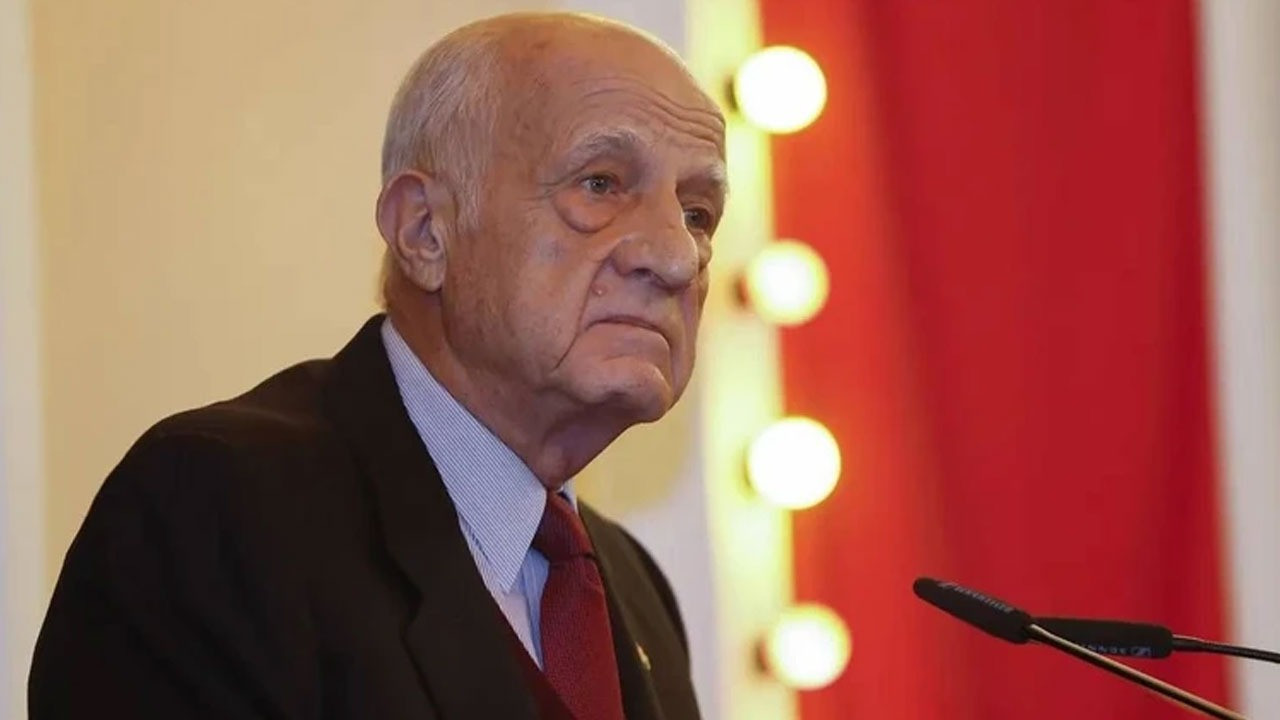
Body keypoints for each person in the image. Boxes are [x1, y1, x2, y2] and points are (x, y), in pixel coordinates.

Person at [28, 11, 726, 720]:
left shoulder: (634, 588)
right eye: (600, 184)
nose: (675, 257)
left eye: (698, 214)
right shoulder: (216, 515)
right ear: (425, 231)